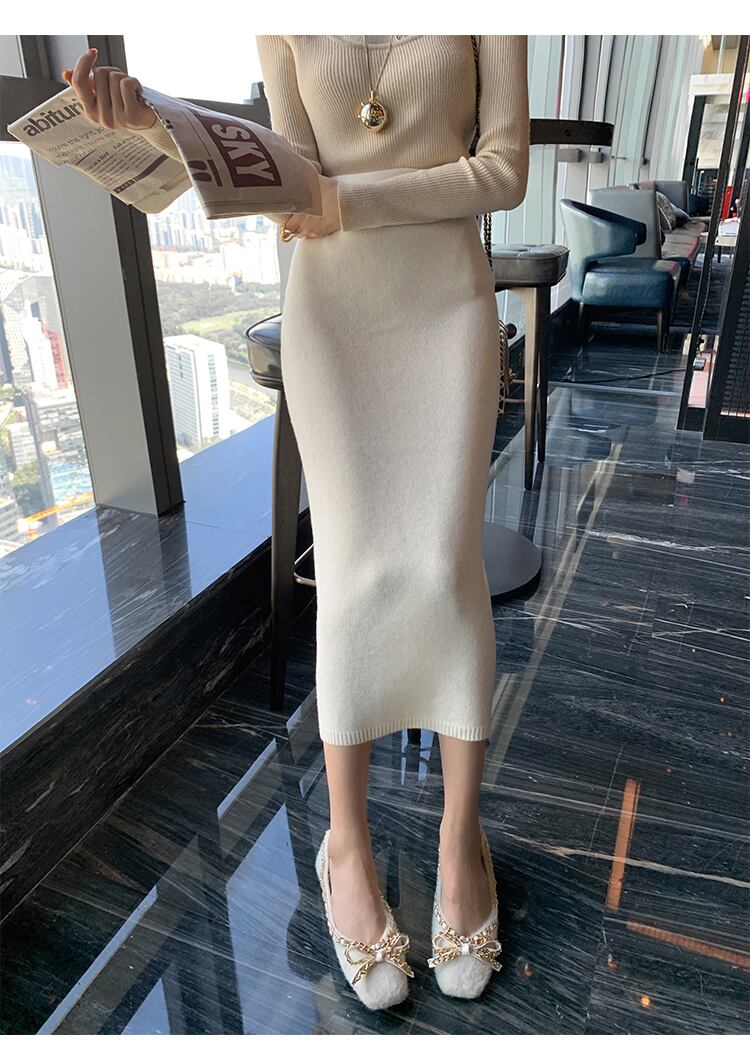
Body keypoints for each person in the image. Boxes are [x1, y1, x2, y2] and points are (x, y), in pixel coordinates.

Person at [63, 35, 529, 1011]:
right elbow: (288, 178)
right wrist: (157, 124)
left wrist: (344, 200)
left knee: (445, 569)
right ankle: (344, 848)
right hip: (333, 313)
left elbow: (503, 171)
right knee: (353, 573)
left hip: (446, 303)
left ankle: (460, 840)